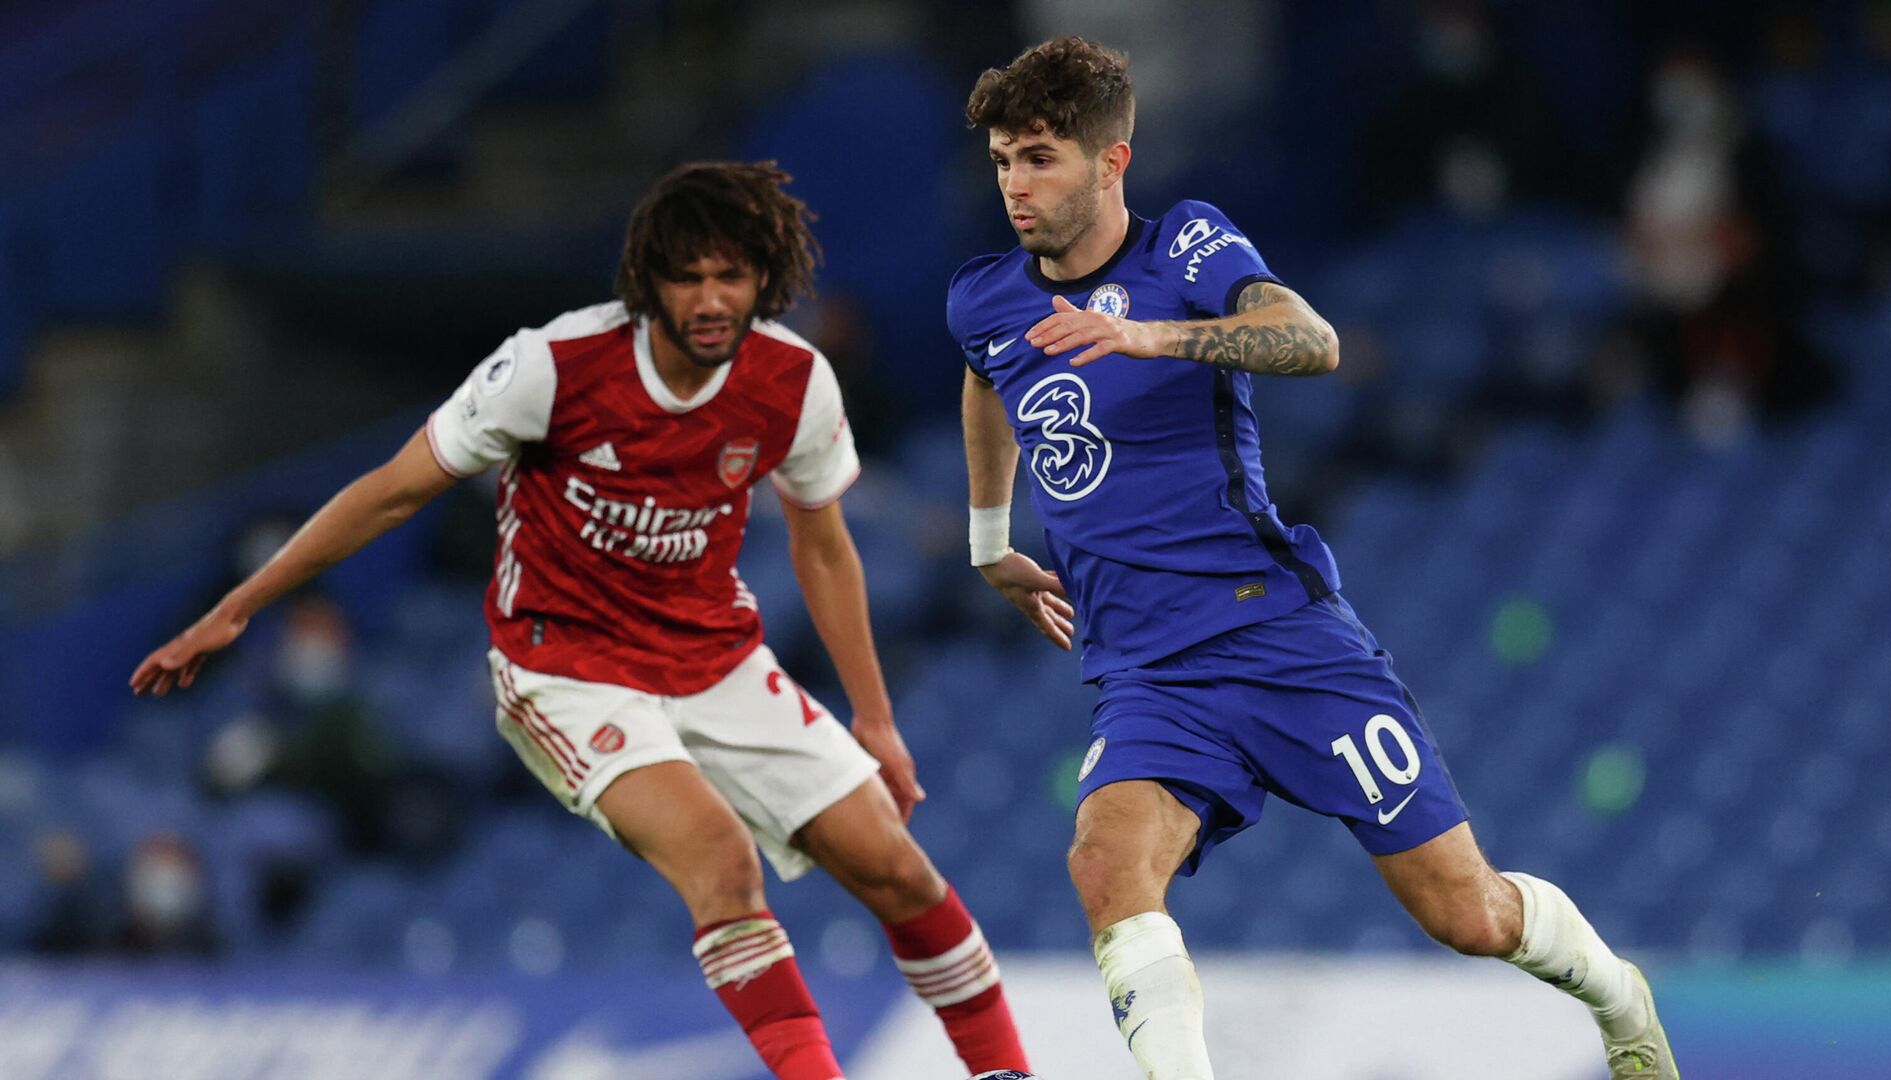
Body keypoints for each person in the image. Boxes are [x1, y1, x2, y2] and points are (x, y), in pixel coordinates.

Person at [133, 161, 1029, 1080]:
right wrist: (239, 608)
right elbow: (391, 494)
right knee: (721, 859)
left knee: (899, 870)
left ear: (769, 278)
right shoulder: (551, 367)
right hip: (566, 670)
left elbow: (826, 549)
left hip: (714, 656)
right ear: (648, 280)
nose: (713, 298)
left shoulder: (794, 382)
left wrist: (874, 717)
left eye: (734, 275)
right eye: (689, 275)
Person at [949, 37, 1677, 1080]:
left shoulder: (1185, 250)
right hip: (1147, 670)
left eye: (1041, 158)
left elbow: (1310, 338)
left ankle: (1619, 995)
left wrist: (1155, 339)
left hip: (1276, 632)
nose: (1017, 185)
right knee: (1107, 863)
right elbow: (985, 380)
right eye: (1004, 160)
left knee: (1463, 912)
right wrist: (988, 541)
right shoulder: (983, 297)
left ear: (1112, 162)